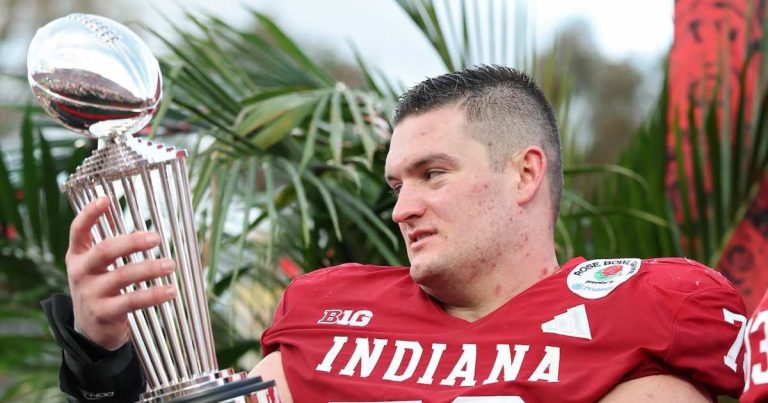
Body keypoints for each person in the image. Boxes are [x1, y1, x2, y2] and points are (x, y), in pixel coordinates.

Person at [43, 65, 747, 402]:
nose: (401, 208)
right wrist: (100, 354)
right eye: (396, 183)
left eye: (432, 174)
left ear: (525, 173)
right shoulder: (329, 311)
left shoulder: (644, 310)